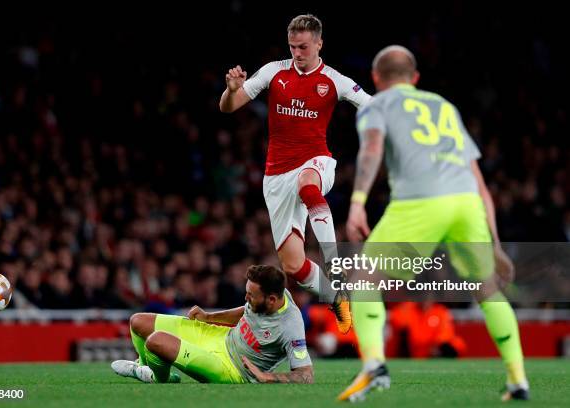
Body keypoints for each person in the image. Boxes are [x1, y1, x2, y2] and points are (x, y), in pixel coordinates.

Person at [338, 45, 528, 402]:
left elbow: (372, 149)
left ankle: (374, 365)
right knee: (487, 288)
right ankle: (518, 379)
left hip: (420, 203)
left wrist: (358, 202)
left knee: (362, 279)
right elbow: (479, 182)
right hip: (467, 204)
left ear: (376, 79)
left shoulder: (377, 104)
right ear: (416, 78)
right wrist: (496, 245)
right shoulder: (445, 106)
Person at [219, 14, 371, 333]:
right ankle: (337, 296)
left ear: (319, 44)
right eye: (292, 47)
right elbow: (229, 107)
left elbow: (371, 105)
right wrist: (231, 90)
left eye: (303, 47)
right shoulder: (274, 72)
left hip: (316, 162)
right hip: (276, 178)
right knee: (293, 266)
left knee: (308, 184)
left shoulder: (334, 80)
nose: (297, 53)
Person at [111, 265, 313, 384]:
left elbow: (306, 375)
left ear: (270, 299)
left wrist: (267, 376)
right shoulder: (277, 294)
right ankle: (145, 366)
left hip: (230, 369)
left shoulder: (291, 326)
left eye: (251, 295)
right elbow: (246, 312)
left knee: (156, 342)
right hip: (220, 338)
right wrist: (208, 318)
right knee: (138, 322)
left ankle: (156, 377)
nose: (246, 297)